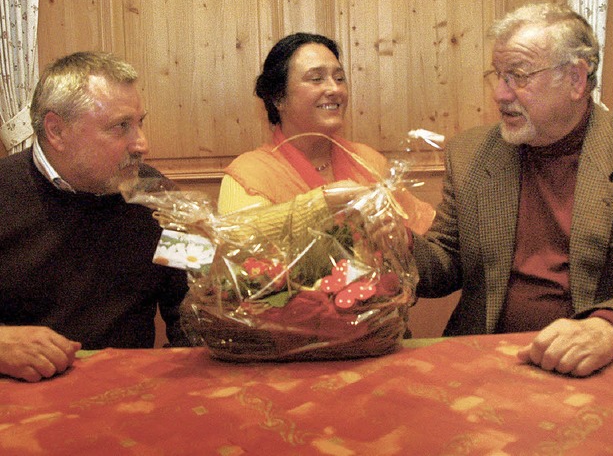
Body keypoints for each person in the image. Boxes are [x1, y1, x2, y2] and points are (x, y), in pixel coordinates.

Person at [410, 2, 613, 377]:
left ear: (576, 80)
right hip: (485, 362)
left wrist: (610, 328)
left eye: (517, 76)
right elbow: (445, 265)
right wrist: (397, 244)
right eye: (497, 76)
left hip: (601, 367)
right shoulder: (471, 154)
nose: (500, 94)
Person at [0, 51, 188, 383]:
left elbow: (192, 304)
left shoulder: (155, 192)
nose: (142, 143)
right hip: (20, 405)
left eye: (139, 123)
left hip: (130, 398)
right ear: (56, 131)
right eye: (121, 127)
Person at [218, 32, 435, 234]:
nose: (334, 89)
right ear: (278, 98)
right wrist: (323, 205)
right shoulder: (250, 173)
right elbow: (240, 243)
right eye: (316, 79)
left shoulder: (366, 159)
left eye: (339, 78)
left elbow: (423, 229)